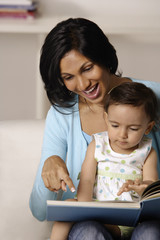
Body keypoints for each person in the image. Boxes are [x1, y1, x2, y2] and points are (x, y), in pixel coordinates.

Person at [29, 18, 160, 240]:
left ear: (104, 57)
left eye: (87, 68)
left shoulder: (152, 97)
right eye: (68, 77)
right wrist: (48, 164)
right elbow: (40, 212)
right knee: (89, 232)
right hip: (90, 228)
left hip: (145, 223)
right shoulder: (61, 117)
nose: (82, 85)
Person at [50, 82, 159, 240]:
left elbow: (151, 186)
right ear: (106, 119)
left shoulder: (147, 151)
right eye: (115, 125)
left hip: (133, 220)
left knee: (151, 232)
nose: (122, 134)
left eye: (133, 128)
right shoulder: (98, 144)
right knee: (70, 209)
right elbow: (87, 179)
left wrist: (141, 187)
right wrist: (85, 208)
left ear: (148, 128)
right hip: (100, 217)